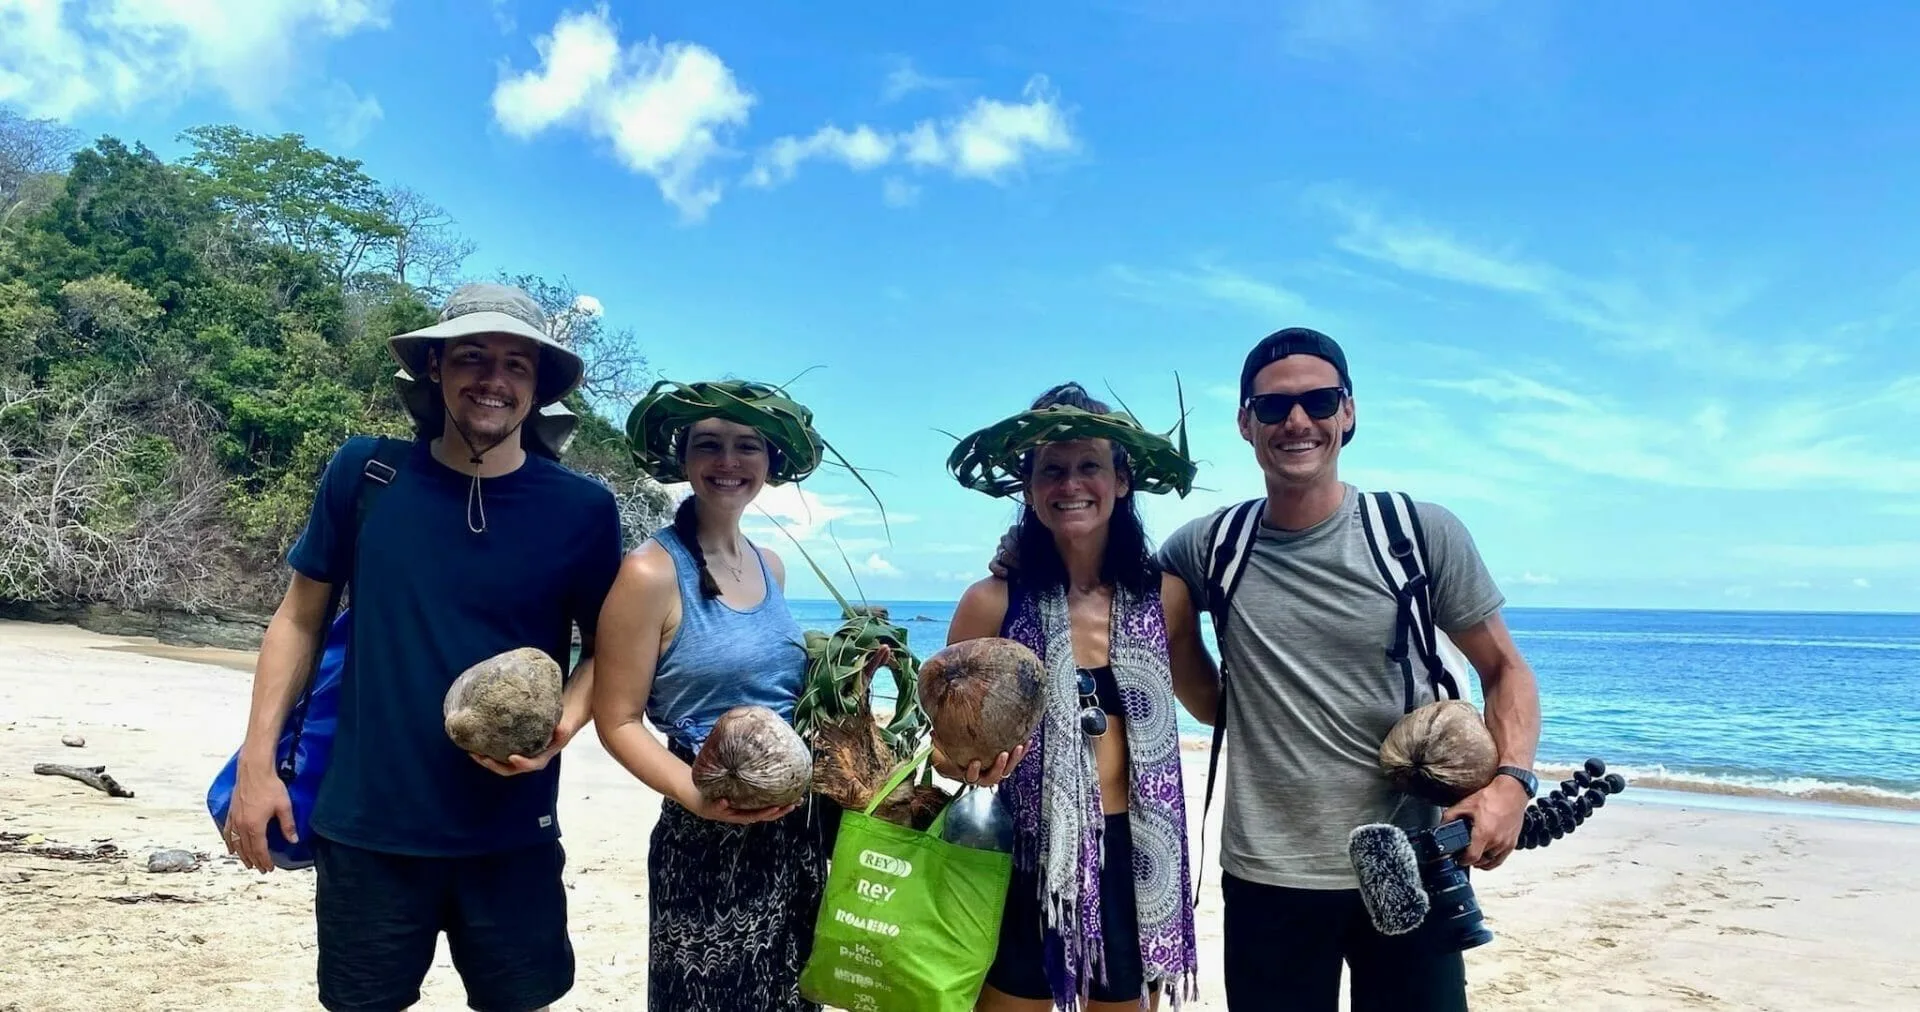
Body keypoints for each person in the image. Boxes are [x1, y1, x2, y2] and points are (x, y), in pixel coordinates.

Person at [221, 282, 625, 1012]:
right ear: (434, 367)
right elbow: (298, 620)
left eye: (516, 365)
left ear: (537, 387)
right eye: (472, 357)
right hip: (368, 827)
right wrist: (257, 765)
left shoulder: (582, 510)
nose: (493, 380)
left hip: (511, 830)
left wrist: (558, 731)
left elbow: (605, 652)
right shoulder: (367, 474)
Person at [947, 382, 1217, 1012]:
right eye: (1052, 469)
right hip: (1022, 852)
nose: (1071, 484)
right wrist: (969, 763)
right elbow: (944, 746)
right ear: (1028, 487)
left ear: (1121, 481)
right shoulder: (991, 604)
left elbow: (1214, 705)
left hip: (1139, 856)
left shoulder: (1166, 598)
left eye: (1089, 465)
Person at [590, 379, 839, 1011]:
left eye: (747, 445)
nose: (729, 461)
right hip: (704, 830)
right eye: (709, 444)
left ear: (770, 462)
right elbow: (616, 720)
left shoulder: (770, 564)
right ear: (684, 459)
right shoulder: (650, 571)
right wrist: (697, 797)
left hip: (794, 833)